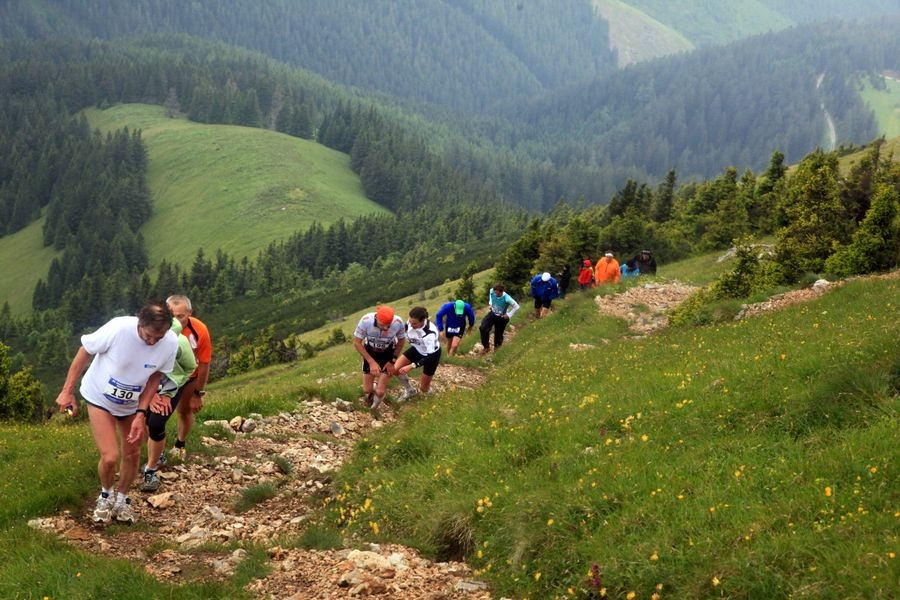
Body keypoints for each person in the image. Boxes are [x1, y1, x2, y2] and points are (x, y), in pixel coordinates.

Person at [55, 301, 179, 524]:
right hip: (99, 397)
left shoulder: (170, 342)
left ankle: (122, 499)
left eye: (157, 338)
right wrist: (67, 391)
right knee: (110, 457)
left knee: (132, 454)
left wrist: (142, 413)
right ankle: (105, 495)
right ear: (139, 324)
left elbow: (155, 376)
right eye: (148, 336)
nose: (152, 342)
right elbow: (85, 351)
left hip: (132, 405)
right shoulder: (118, 328)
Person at [140, 317, 197, 492]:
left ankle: (151, 469)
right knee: (145, 420)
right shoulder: (138, 340)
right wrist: (148, 393)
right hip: (143, 386)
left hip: (169, 387)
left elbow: (190, 367)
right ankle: (159, 454)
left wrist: (167, 391)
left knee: (156, 423)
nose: (152, 341)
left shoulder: (178, 342)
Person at [166, 295, 212, 462]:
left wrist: (198, 394)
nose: (176, 321)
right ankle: (153, 451)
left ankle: (180, 445)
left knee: (184, 411)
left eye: (181, 316)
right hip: (163, 378)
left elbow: (204, 363)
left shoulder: (200, 330)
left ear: (189, 313)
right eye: (172, 316)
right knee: (151, 415)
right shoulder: (159, 327)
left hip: (188, 378)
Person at [352, 305, 413, 409]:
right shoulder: (366, 320)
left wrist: (392, 361)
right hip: (371, 352)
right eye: (382, 325)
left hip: (388, 353)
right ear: (376, 318)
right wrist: (371, 362)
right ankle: (373, 387)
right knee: (367, 390)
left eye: (388, 325)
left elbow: (401, 341)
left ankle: (373, 409)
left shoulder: (398, 322)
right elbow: (357, 343)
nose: (385, 328)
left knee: (380, 392)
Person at [393, 306, 442, 400]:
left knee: (423, 388)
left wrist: (411, 366)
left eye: (414, 324)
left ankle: (432, 397)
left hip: (431, 355)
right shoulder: (410, 322)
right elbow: (401, 333)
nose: (411, 325)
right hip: (417, 349)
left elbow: (430, 357)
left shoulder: (429, 334)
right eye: (410, 322)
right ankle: (410, 390)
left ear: (423, 320)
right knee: (395, 369)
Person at [479, 283, 520, 352]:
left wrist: (509, 315)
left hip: (502, 317)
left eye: (497, 294)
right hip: (493, 313)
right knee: (483, 328)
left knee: (498, 334)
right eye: (495, 293)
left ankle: (497, 349)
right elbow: (491, 296)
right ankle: (486, 347)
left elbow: (517, 307)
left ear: (501, 292)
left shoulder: (507, 298)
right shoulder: (492, 291)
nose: (496, 295)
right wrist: (490, 304)